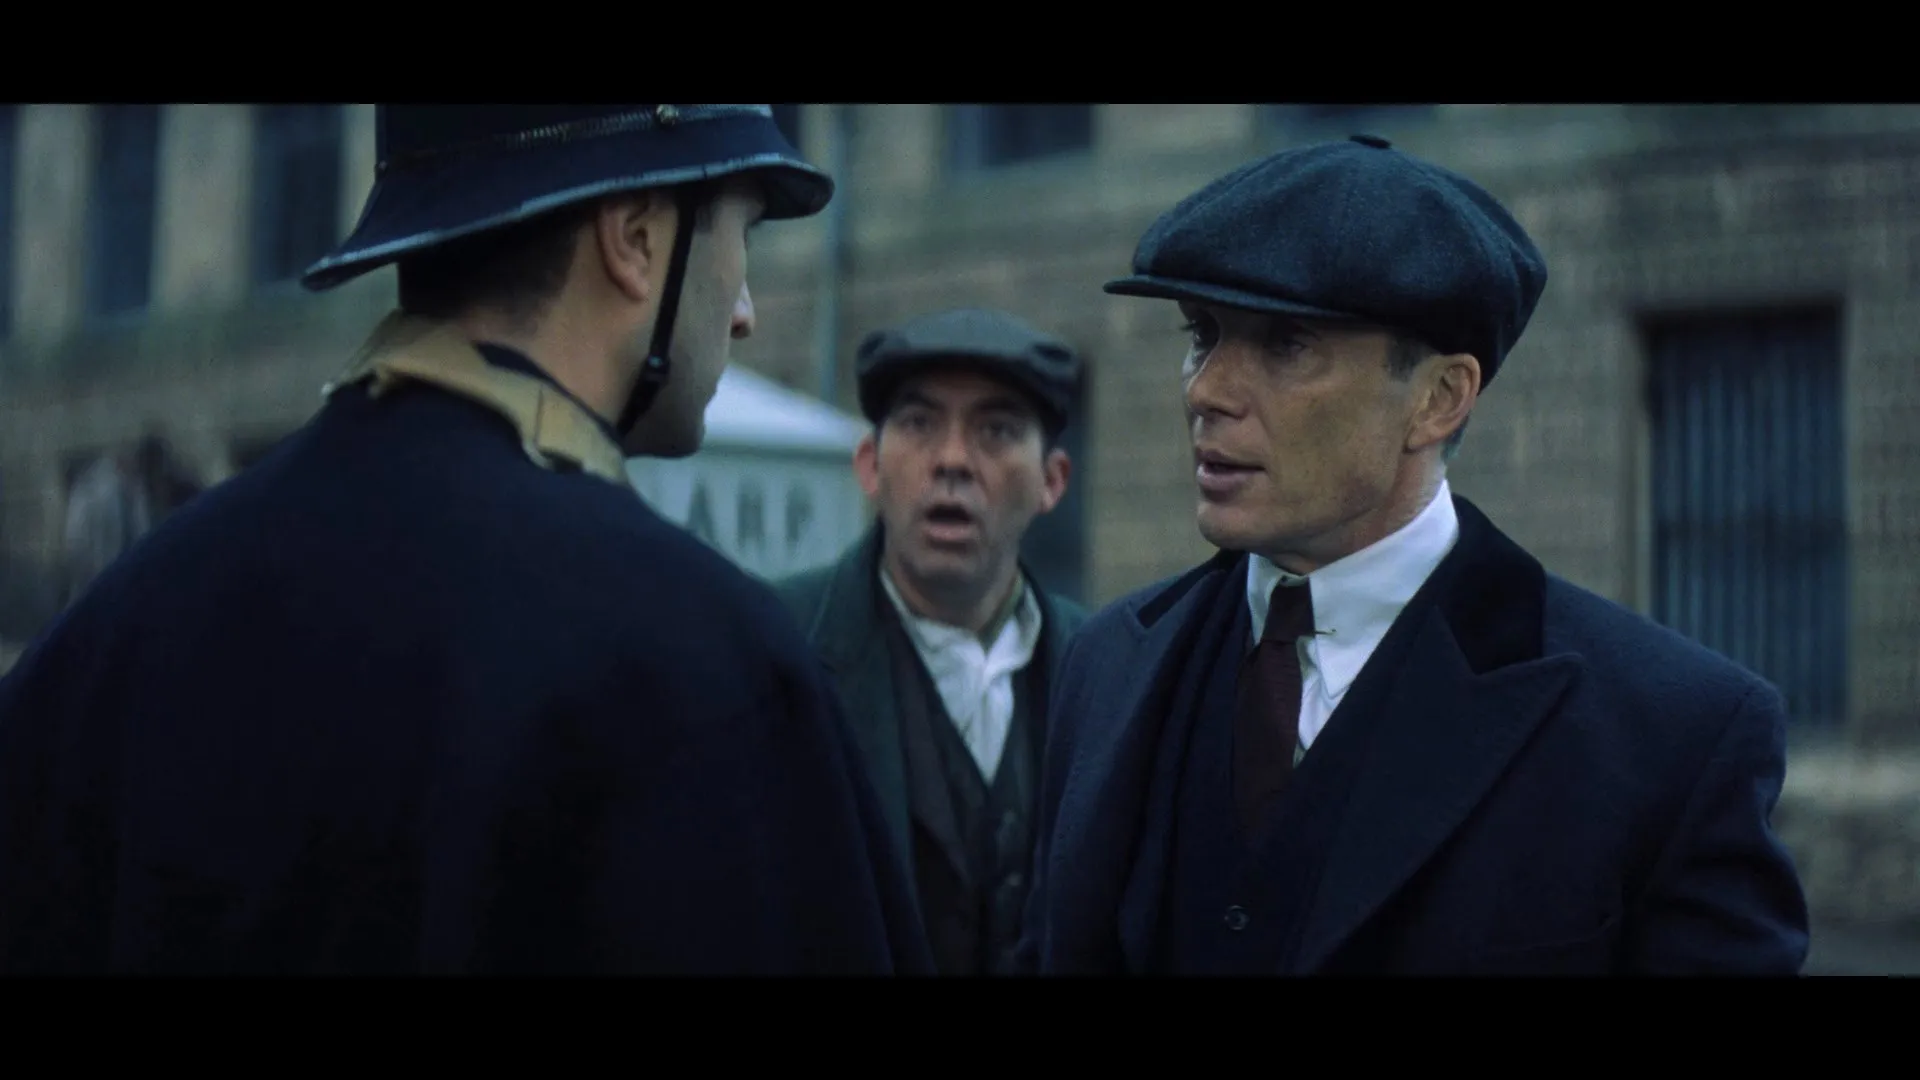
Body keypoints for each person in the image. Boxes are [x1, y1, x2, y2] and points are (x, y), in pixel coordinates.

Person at [0, 104, 933, 975]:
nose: (744, 310)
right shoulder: (705, 661)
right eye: (741, 236)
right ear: (637, 240)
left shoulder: (110, 636)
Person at [1016, 134, 1810, 975]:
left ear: (1438, 398)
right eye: (1203, 333)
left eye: (1287, 345)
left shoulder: (1672, 735)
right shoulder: (1108, 664)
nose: (1207, 390)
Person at [775, 308, 1087, 976]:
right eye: (919, 424)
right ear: (869, 464)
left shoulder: (1111, 670)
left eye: (996, 430)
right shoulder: (778, 645)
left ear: (1053, 480)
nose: (952, 461)